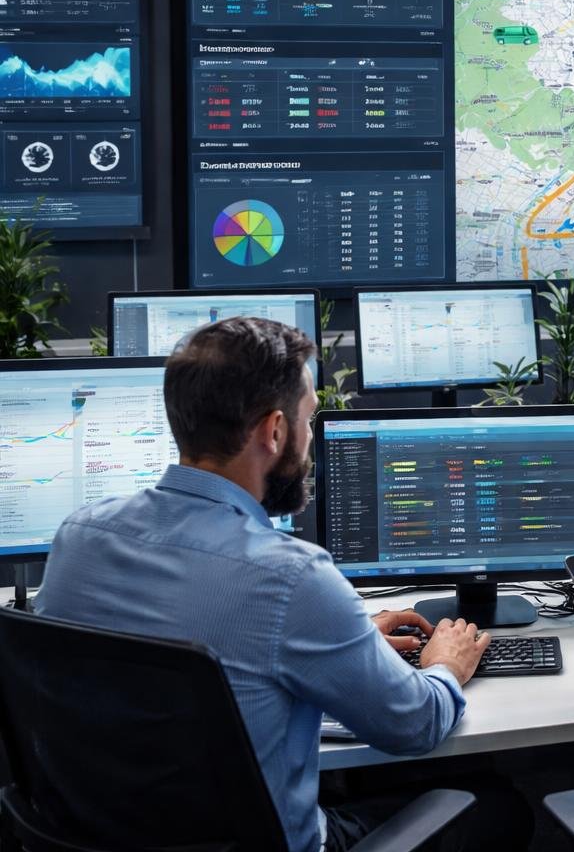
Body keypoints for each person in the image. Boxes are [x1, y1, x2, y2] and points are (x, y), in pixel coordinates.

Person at [35, 317, 527, 852]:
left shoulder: (79, 537)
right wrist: (445, 666)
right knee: (499, 805)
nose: (310, 437)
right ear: (274, 431)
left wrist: (347, 636)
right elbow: (413, 725)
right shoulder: (292, 578)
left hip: (93, 840)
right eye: (309, 418)